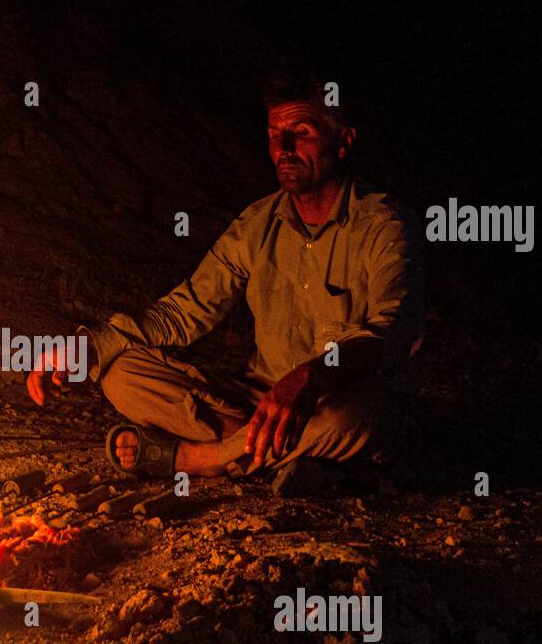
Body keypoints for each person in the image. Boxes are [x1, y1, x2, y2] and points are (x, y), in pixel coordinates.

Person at [26, 76, 424, 496]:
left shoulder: (385, 225)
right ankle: (293, 462)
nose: (284, 149)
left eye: (301, 133)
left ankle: (200, 459)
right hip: (258, 401)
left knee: (361, 416)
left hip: (337, 398)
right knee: (122, 374)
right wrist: (91, 347)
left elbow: (390, 333)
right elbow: (184, 312)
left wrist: (311, 377)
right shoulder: (257, 223)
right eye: (275, 136)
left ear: (343, 142)